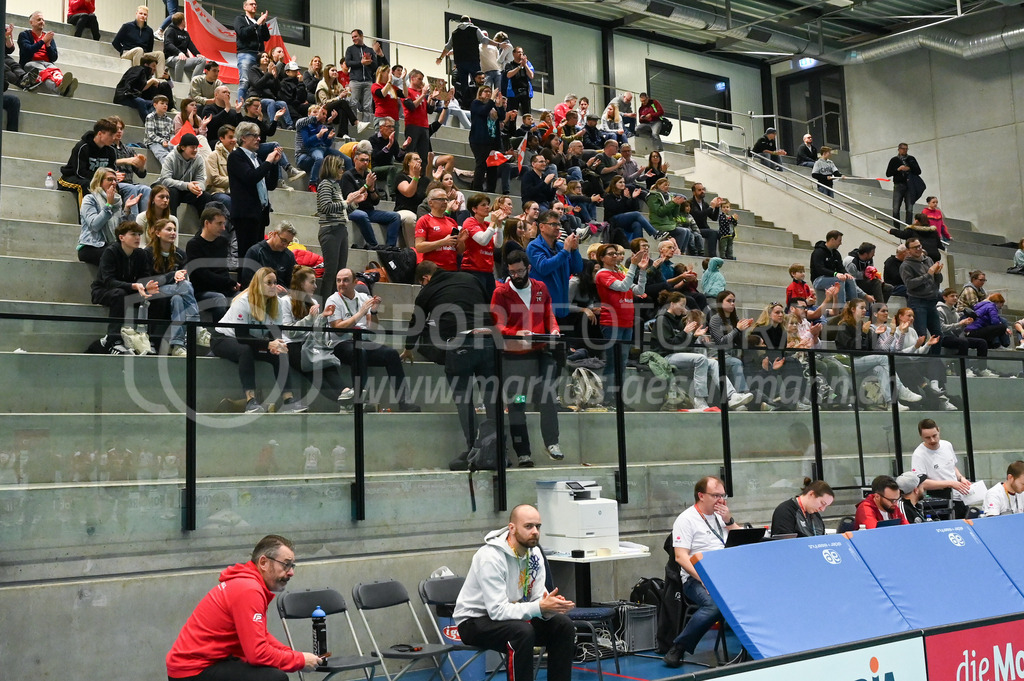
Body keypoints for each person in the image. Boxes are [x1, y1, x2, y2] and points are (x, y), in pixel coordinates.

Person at [166, 534, 322, 680]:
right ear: (263, 563)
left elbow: (261, 637)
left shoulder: (247, 584)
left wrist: (293, 655)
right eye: (286, 565)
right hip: (192, 671)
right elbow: (257, 654)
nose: (291, 572)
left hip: (205, 663)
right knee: (274, 678)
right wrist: (299, 660)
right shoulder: (249, 590)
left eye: (292, 566)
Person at [454, 504, 576, 681]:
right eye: (528, 526)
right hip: (474, 621)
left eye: (538, 526)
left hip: (511, 616)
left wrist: (549, 607)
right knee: (522, 631)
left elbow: (536, 600)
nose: (535, 531)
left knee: (562, 625)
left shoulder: (534, 554)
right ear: (512, 528)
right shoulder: (490, 557)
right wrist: (539, 607)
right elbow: (497, 611)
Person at [405, 261, 497, 468]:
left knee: (464, 399)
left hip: (460, 343)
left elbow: (416, 323)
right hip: (488, 341)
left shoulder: (427, 290)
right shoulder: (469, 278)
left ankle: (475, 448)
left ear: (425, 279)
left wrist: (408, 348)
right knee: (492, 399)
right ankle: (496, 448)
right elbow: (487, 305)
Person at [491, 250, 565, 465]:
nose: (516, 275)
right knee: (518, 403)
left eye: (520, 271)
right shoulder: (501, 292)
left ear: (529, 269)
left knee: (547, 396)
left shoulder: (541, 288)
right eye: (512, 272)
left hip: (540, 352)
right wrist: (515, 333)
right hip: (514, 358)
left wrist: (554, 329)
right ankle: (523, 452)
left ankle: (552, 442)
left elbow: (548, 314)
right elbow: (497, 323)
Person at [662, 476, 741, 668]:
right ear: (701, 496)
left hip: (726, 575)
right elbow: (681, 557)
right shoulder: (686, 519)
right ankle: (678, 647)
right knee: (714, 606)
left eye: (723, 495)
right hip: (696, 578)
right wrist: (704, 578)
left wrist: (729, 520)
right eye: (716, 495)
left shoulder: (722, 517)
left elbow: (741, 540)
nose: (721, 500)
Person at [212, 267, 307, 413]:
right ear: (258, 284)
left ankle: (289, 400)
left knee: (281, 352)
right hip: (224, 339)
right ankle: (251, 401)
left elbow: (276, 333)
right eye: (268, 282)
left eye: (275, 282)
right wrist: (269, 343)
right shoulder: (243, 301)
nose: (273, 286)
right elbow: (241, 336)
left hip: (252, 340)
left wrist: (277, 345)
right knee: (245, 350)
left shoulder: (278, 303)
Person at [325, 269, 421, 412]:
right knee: (359, 351)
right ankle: (358, 399)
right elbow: (338, 328)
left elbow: (373, 327)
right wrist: (360, 313)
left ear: (355, 282)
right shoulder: (333, 299)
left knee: (391, 353)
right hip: (341, 344)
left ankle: (404, 402)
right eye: (338, 280)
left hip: (363, 341)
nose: (341, 284)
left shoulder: (363, 297)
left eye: (345, 280)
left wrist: (374, 311)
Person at [834, 298, 920, 410]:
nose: (865, 310)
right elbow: (852, 348)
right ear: (853, 309)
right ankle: (901, 390)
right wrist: (864, 334)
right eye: (862, 308)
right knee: (884, 358)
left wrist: (875, 336)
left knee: (880, 369)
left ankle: (891, 403)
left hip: (862, 361)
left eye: (865, 307)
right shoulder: (844, 326)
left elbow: (870, 349)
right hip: (849, 361)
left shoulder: (863, 325)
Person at [91, 221, 159, 356]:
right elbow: (109, 281)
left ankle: (150, 339)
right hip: (103, 291)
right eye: (133, 234)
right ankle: (113, 340)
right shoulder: (110, 252)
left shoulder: (141, 254)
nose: (138, 238)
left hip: (129, 291)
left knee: (157, 296)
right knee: (119, 294)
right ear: (121, 237)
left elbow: (144, 277)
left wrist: (147, 286)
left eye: (139, 234)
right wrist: (133, 286)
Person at [145, 218, 201, 356]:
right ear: (157, 233)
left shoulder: (180, 254)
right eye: (168, 229)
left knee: (178, 299)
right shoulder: (146, 253)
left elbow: (184, 277)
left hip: (175, 291)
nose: (173, 233)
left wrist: (178, 277)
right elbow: (147, 281)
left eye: (174, 230)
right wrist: (172, 276)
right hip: (153, 292)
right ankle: (196, 326)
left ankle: (177, 344)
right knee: (185, 287)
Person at [228, 121, 279, 262]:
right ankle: (243, 284)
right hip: (245, 214)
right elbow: (250, 178)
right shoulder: (236, 156)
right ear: (243, 137)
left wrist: (273, 165)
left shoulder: (256, 159)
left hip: (259, 214)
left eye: (259, 136)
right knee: (246, 258)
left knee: (256, 258)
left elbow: (270, 185)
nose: (259, 139)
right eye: (255, 136)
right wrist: (268, 163)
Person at [316, 155, 363, 300]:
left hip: (341, 229)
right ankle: (325, 306)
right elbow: (324, 207)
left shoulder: (335, 185)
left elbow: (342, 211)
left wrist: (353, 203)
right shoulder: (325, 184)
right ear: (332, 168)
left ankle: (336, 304)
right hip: (330, 230)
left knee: (340, 272)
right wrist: (346, 201)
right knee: (331, 272)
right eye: (340, 167)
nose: (343, 170)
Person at [527, 209, 583, 329]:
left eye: (559, 224)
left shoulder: (560, 246)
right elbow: (544, 267)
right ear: (541, 226)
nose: (557, 227)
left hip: (562, 306)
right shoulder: (534, 246)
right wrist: (565, 251)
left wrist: (574, 250)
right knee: (546, 344)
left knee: (561, 345)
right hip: (543, 308)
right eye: (553, 224)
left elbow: (577, 268)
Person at [910, 418, 973, 519]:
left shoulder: (947, 445)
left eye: (934, 436)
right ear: (921, 437)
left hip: (959, 497)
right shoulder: (919, 455)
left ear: (938, 430)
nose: (932, 440)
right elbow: (921, 482)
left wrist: (961, 478)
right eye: (927, 438)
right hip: (939, 500)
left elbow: (952, 466)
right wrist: (950, 483)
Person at [79, 167, 142, 265]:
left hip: (111, 245)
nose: (113, 183)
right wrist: (108, 205)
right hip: (91, 246)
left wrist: (126, 210)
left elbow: (121, 230)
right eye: (109, 179)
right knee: (116, 254)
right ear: (99, 181)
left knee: (139, 254)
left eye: (115, 180)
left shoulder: (117, 201)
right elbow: (94, 225)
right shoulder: (89, 199)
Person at [186, 207, 240, 320]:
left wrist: (231, 285)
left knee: (244, 298)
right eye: (219, 223)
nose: (223, 228)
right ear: (207, 223)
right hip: (203, 291)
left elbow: (223, 270)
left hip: (223, 288)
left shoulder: (223, 242)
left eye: (224, 224)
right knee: (218, 298)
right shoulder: (194, 245)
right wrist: (228, 282)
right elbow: (201, 275)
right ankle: (219, 334)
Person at [344, 150, 402, 248]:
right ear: (355, 160)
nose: (365, 163)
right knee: (362, 215)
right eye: (362, 160)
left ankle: (390, 247)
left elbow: (376, 201)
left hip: (369, 211)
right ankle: (373, 244)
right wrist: (366, 185)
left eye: (367, 160)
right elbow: (350, 198)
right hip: (352, 210)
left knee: (395, 216)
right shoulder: (348, 175)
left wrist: (371, 190)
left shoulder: (369, 175)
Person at [435, 16, 506, 94]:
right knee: (478, 83)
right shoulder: (474, 29)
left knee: (464, 85)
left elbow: (447, 47)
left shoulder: (454, 33)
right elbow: (484, 40)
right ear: (470, 21)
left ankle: (466, 103)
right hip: (473, 61)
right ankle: (478, 100)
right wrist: (498, 44)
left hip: (460, 62)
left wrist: (440, 58)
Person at [18, 12, 78, 96]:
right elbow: (28, 50)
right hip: (31, 63)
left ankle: (65, 86)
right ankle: (60, 90)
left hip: (47, 63)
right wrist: (43, 41)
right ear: (31, 23)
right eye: (39, 20)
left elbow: (54, 57)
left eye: (43, 20)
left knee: (55, 71)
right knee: (45, 73)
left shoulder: (47, 37)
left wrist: (48, 45)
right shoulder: (24, 35)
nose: (42, 22)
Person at [158, 133, 216, 217]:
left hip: (188, 190)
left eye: (196, 147)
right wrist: (187, 185)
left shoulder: (199, 159)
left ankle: (203, 228)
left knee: (205, 196)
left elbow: (202, 179)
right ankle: (171, 223)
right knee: (172, 192)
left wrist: (198, 188)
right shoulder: (171, 157)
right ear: (183, 147)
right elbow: (165, 180)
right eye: (192, 147)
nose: (195, 150)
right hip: (174, 189)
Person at [900, 236, 943, 342]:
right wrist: (929, 274)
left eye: (919, 246)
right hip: (918, 302)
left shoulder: (928, 260)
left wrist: (937, 274)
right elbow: (909, 284)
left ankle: (935, 358)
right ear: (908, 250)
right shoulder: (906, 265)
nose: (918, 249)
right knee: (921, 335)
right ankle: (922, 358)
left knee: (937, 335)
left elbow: (938, 280)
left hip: (931, 301)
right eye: (915, 247)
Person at [114, 54, 174, 124]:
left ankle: (155, 122)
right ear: (146, 65)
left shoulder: (145, 75)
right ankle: (149, 124)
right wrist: (152, 81)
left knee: (153, 103)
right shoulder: (138, 69)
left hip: (132, 96)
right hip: (124, 96)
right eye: (153, 66)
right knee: (141, 102)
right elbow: (137, 87)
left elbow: (140, 88)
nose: (155, 68)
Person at [810, 230, 863, 306]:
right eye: (839, 241)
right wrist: (835, 274)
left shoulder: (836, 253)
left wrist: (846, 273)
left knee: (850, 279)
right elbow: (820, 269)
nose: (841, 243)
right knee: (838, 280)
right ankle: (841, 307)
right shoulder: (818, 252)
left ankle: (854, 304)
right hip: (818, 279)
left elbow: (840, 267)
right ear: (832, 240)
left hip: (830, 277)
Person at [345, 29, 388, 122]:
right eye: (352, 37)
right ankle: (353, 123)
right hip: (355, 80)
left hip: (368, 81)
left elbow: (376, 66)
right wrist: (361, 62)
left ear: (361, 36)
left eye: (355, 36)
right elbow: (348, 63)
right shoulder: (350, 49)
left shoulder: (369, 50)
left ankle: (366, 125)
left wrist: (369, 62)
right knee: (353, 103)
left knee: (367, 106)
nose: (353, 39)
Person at [113, 6, 166, 78]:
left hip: (143, 53)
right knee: (139, 50)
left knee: (160, 54)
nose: (143, 16)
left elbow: (150, 48)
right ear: (136, 13)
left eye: (145, 14)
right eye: (141, 13)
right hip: (128, 52)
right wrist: (122, 50)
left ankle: (160, 78)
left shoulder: (149, 31)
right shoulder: (127, 26)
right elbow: (115, 42)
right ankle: (139, 76)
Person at [234, 0, 271, 104]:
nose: (254, 6)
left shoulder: (258, 21)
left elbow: (266, 37)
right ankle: (241, 105)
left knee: (257, 82)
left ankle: (253, 105)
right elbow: (242, 33)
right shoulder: (239, 19)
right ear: (245, 7)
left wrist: (263, 25)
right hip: (246, 54)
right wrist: (257, 23)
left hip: (259, 55)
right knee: (245, 81)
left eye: (255, 4)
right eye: (251, 4)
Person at [770, 479, 834, 537]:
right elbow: (783, 544)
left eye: (826, 506)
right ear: (811, 494)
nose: (822, 509)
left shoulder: (815, 515)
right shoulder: (785, 511)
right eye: (822, 503)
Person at [241, 222, 297, 289]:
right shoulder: (255, 252)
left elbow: (290, 283)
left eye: (288, 242)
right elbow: (247, 281)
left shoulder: (289, 256)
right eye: (283, 240)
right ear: (274, 234)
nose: (285, 245)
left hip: (281, 295)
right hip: (258, 293)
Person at [885, 142, 922, 228]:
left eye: (906, 149)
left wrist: (909, 168)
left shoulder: (911, 159)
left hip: (910, 185)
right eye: (903, 149)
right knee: (896, 208)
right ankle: (896, 227)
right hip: (898, 184)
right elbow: (888, 173)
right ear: (899, 149)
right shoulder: (894, 160)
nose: (905, 151)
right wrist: (898, 169)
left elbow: (918, 171)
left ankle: (908, 227)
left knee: (909, 208)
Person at [162, 12, 205, 82]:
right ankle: (178, 83)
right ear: (182, 21)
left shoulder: (185, 34)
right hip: (171, 58)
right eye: (184, 20)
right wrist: (179, 52)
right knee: (181, 59)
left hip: (183, 59)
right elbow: (168, 44)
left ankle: (194, 82)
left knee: (202, 60)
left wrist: (197, 54)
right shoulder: (170, 30)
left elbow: (190, 45)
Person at [688, 183, 721, 257]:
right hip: (696, 229)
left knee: (723, 234)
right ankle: (712, 256)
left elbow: (714, 218)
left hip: (704, 228)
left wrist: (717, 207)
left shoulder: (704, 204)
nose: (702, 191)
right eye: (699, 190)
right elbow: (698, 215)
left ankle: (726, 255)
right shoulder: (690, 203)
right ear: (694, 192)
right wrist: (711, 208)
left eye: (703, 189)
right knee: (712, 233)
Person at [503, 46, 534, 115]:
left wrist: (525, 65)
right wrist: (519, 67)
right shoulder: (509, 64)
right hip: (514, 92)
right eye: (519, 52)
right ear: (514, 54)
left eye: (522, 52)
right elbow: (508, 75)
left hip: (525, 92)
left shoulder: (528, 64)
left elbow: (531, 76)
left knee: (527, 114)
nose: (521, 54)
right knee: (512, 114)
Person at [145, 94, 175, 162]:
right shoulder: (150, 117)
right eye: (162, 103)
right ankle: (167, 171)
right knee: (163, 155)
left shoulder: (169, 120)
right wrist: (162, 141)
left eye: (166, 104)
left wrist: (171, 141)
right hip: (153, 142)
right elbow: (151, 134)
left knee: (177, 154)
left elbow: (172, 134)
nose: (165, 105)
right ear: (155, 105)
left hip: (167, 143)